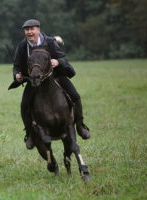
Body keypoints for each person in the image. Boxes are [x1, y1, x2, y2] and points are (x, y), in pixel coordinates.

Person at [9, 19, 90, 149]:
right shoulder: (23, 46)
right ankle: (30, 133)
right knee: (24, 104)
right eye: (26, 29)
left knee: (75, 96)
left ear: (38, 30)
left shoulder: (50, 42)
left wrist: (57, 62)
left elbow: (63, 57)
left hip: (55, 77)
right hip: (34, 80)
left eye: (32, 29)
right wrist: (17, 74)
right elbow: (17, 65)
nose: (29, 32)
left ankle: (80, 125)